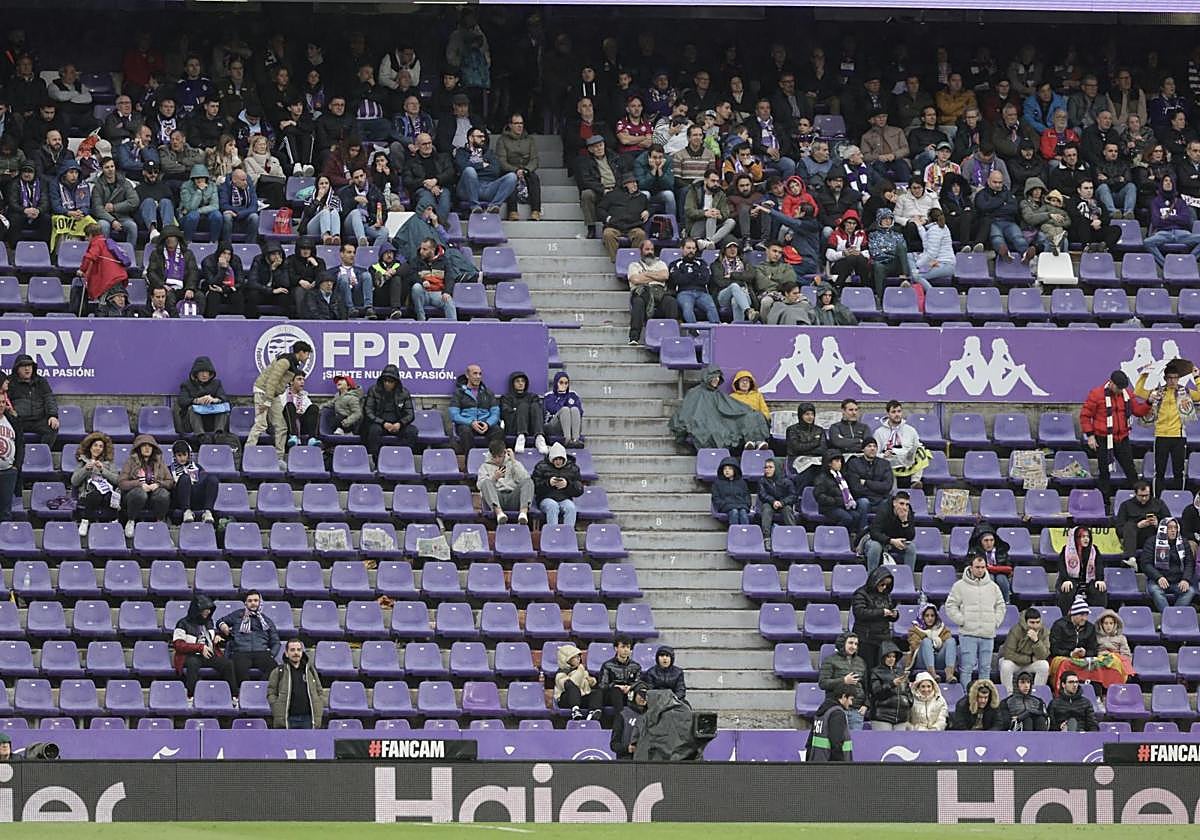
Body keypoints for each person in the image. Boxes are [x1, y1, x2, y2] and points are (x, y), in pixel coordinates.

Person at [1135, 358, 1200, 493]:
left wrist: (1197, 377)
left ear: (1179, 378)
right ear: (1165, 378)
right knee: (1159, 472)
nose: (1172, 381)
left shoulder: (1185, 392)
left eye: (1175, 378)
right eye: (1170, 378)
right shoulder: (1158, 392)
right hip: (1161, 436)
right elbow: (1138, 391)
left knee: (1178, 472)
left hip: (1178, 437)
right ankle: (1158, 498)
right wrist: (1145, 373)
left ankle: (1178, 498)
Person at [1080, 371, 1148, 499]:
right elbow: (1085, 416)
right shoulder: (1096, 394)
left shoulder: (1127, 394)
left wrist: (1148, 403)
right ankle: (1104, 502)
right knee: (1104, 472)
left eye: (1122, 388)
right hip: (1103, 438)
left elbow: (1138, 411)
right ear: (1111, 383)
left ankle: (1139, 500)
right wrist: (1090, 435)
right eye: (1118, 388)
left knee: (1131, 471)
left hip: (1122, 438)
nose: (1120, 391)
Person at [669, 366, 770, 451]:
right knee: (713, 432)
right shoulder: (694, 392)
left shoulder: (718, 394)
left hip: (721, 422)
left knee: (753, 416)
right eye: (714, 377)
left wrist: (749, 412)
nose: (717, 379)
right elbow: (687, 412)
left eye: (718, 377)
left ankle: (756, 441)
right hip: (705, 424)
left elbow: (732, 408)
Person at [247, 340, 312, 465]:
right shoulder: (285, 362)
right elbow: (272, 380)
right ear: (301, 352)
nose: (308, 357)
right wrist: (267, 401)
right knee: (261, 424)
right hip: (263, 392)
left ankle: (279, 459)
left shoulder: (293, 364)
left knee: (281, 426)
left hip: (273, 395)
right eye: (307, 354)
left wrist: (271, 398)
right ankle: (248, 454)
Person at [945, 554, 1007, 685]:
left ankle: (985, 695)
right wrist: (962, 620)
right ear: (971, 567)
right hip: (968, 634)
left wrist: (995, 622)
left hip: (988, 634)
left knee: (985, 669)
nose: (980, 570)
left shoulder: (993, 587)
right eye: (977, 567)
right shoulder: (959, 586)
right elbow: (950, 605)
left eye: (983, 567)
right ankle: (966, 695)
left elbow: (1001, 605)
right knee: (967, 668)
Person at [171, 594, 236, 700]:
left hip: (209, 654)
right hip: (190, 655)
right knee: (193, 663)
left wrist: (217, 638)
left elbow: (210, 638)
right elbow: (178, 645)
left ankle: (234, 696)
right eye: (206, 609)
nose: (208, 612)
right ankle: (190, 696)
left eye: (210, 609)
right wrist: (200, 648)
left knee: (228, 664)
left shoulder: (209, 622)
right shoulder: (182, 623)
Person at [217, 591, 281, 690]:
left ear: (260, 602)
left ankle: (259, 689)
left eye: (256, 600)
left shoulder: (266, 620)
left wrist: (272, 654)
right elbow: (220, 621)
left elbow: (276, 641)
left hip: (261, 652)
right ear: (246, 603)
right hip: (241, 652)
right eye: (250, 601)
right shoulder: (237, 615)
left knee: (275, 670)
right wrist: (223, 626)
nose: (253, 603)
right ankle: (245, 693)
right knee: (239, 670)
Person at [117, 433, 174, 539]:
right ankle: (131, 521)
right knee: (139, 493)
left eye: (150, 446)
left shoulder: (159, 462)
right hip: (134, 496)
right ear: (139, 448)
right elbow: (121, 482)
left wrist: (158, 484)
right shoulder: (130, 462)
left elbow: (170, 481)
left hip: (154, 496)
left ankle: (160, 522)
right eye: (144, 446)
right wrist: (139, 484)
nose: (147, 448)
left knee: (163, 494)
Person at [1140, 517, 1197, 612]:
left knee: (1190, 591)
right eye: (1170, 528)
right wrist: (1158, 577)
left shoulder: (1183, 542)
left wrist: (1185, 579)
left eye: (1175, 528)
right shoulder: (1152, 542)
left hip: (1178, 580)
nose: (1173, 530)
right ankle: (1170, 617)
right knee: (1155, 590)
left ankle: (1171, 616)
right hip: (1158, 580)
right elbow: (1146, 564)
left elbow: (1189, 563)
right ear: (1163, 529)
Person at [625, 239, 676, 346]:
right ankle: (634, 337)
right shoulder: (634, 265)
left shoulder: (661, 264)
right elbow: (636, 280)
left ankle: (671, 336)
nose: (650, 252)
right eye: (647, 249)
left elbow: (665, 276)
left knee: (671, 302)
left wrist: (646, 274)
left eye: (652, 249)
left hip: (659, 292)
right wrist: (655, 276)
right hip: (642, 291)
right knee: (638, 302)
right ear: (641, 251)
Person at [361, 364, 418, 458]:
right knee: (373, 430)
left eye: (390, 381)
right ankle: (376, 460)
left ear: (396, 382)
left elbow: (410, 414)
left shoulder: (404, 393)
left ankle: (402, 458)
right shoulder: (373, 390)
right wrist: (383, 423)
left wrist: (400, 424)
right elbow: (368, 411)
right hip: (379, 424)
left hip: (397, 425)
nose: (387, 383)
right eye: (385, 380)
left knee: (412, 431)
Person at [70, 432, 120, 537]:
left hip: (106, 493)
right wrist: (86, 469)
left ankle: (114, 522)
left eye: (101, 446)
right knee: (95, 495)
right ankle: (85, 521)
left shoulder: (109, 464)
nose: (97, 448)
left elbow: (117, 480)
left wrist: (102, 470)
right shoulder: (82, 462)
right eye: (95, 445)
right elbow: (74, 481)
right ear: (90, 447)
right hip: (88, 494)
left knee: (110, 496)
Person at [267, 639, 324, 730]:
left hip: (308, 719)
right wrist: (276, 707)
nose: (296, 653)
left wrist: (319, 704)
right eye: (292, 650)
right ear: (286, 653)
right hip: (287, 719)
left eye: (298, 650)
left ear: (302, 652)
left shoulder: (310, 671)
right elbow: (271, 692)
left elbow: (319, 691)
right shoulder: (278, 671)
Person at [1145, 175, 1200, 268]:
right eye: (1166, 181)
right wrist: (1177, 218)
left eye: (1170, 181)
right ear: (1161, 184)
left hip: (1182, 233)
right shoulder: (1155, 202)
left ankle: (1188, 261)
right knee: (1147, 242)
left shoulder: (1180, 202)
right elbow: (1156, 222)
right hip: (1163, 233)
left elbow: (1186, 220)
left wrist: (1167, 218)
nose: (1168, 183)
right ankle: (1166, 266)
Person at [816, 632, 868, 731]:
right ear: (842, 643)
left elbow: (866, 686)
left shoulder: (861, 662)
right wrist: (843, 680)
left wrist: (866, 704)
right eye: (850, 643)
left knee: (855, 740)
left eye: (856, 644)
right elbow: (823, 683)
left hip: (856, 711)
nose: (853, 646)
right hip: (836, 709)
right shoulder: (830, 660)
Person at [495, 112, 541, 221]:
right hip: (510, 169)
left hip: (526, 169)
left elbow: (534, 159)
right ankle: (512, 211)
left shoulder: (529, 140)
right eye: (516, 123)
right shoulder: (502, 140)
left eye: (521, 123)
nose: (519, 126)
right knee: (510, 178)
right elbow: (501, 160)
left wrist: (526, 170)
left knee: (534, 178)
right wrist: (515, 170)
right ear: (510, 125)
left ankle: (536, 211)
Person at [449, 364, 503, 455]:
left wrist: (488, 424)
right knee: (465, 431)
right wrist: (471, 422)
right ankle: (470, 460)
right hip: (467, 424)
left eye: (480, 374)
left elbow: (495, 413)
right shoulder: (459, 393)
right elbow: (454, 415)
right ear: (467, 375)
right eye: (475, 373)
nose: (478, 377)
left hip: (485, 424)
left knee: (498, 431)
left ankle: (494, 460)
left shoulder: (488, 393)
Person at [477, 438, 534, 525]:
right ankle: (499, 514)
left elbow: (524, 478)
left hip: (513, 496)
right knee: (486, 482)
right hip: (496, 497)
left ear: (505, 453)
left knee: (528, 481)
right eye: (494, 457)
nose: (497, 460)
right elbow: (480, 486)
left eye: (500, 456)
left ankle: (523, 514)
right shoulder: (484, 466)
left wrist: (513, 461)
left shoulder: (513, 463)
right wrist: (494, 478)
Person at [851, 566, 897, 670]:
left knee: (881, 669)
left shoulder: (886, 595)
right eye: (882, 584)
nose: (884, 587)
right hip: (866, 638)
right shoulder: (861, 593)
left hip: (883, 638)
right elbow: (860, 612)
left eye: (887, 585)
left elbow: (889, 609)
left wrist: (894, 615)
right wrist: (881, 612)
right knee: (867, 668)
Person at [874, 400, 928, 488]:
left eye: (899, 411)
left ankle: (915, 482)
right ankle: (893, 489)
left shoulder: (910, 430)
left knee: (921, 451)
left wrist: (911, 451)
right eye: (893, 412)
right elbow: (875, 453)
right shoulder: (879, 432)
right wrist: (883, 455)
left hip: (906, 460)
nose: (897, 414)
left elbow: (917, 445)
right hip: (889, 461)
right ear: (888, 414)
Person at [7, 354, 58, 447]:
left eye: (29, 366)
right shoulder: (9, 382)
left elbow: (49, 399)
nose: (27, 369)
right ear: (17, 369)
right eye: (23, 366)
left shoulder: (41, 381)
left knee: (52, 428)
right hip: (18, 420)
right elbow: (4, 401)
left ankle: (42, 453)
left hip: (38, 420)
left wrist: (53, 415)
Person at [1055, 525, 1108, 614]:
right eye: (1083, 537)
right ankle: (1066, 616)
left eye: (1088, 536)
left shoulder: (1094, 550)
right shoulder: (1066, 550)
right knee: (1067, 589)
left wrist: (1100, 580)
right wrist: (1065, 580)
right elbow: (1062, 567)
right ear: (1076, 538)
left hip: (1089, 580)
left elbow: (1099, 565)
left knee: (1099, 589)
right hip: (1070, 579)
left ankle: (1097, 615)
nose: (1086, 539)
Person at [1117, 480, 1172, 566]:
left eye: (1146, 495)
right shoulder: (1126, 505)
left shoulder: (1159, 504)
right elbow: (1119, 530)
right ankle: (1130, 558)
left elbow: (1170, 524)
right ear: (1135, 494)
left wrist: (1158, 524)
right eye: (1141, 496)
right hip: (1134, 539)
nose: (1144, 498)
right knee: (1129, 525)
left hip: (1153, 536)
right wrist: (1137, 526)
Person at [531, 438, 583, 527]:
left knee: (571, 508)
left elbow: (579, 489)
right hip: (546, 498)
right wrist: (548, 483)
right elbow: (534, 487)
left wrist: (567, 485)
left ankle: (568, 533)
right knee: (553, 506)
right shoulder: (541, 467)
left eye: (560, 459)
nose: (558, 462)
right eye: (556, 459)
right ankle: (553, 533)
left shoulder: (572, 468)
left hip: (564, 498)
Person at [598, 171, 649, 261]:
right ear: (625, 184)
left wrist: (648, 211)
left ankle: (633, 260)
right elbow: (600, 209)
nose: (635, 184)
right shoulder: (612, 195)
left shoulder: (642, 197)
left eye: (636, 182)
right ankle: (616, 260)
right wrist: (608, 218)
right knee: (608, 234)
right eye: (632, 182)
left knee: (640, 234)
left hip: (633, 226)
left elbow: (651, 207)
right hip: (614, 225)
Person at [668, 237, 719, 324]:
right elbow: (678, 280)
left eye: (693, 248)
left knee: (711, 307)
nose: (691, 251)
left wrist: (686, 275)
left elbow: (705, 279)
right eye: (688, 248)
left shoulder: (702, 263)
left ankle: (717, 329)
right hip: (684, 292)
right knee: (687, 308)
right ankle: (694, 330)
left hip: (702, 292)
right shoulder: (675, 264)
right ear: (682, 249)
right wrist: (696, 275)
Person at [144, 226, 199, 308]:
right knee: (167, 297)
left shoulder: (188, 254)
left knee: (199, 297)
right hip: (164, 288)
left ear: (178, 239)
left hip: (183, 287)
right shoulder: (156, 254)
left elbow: (193, 272)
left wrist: (190, 288)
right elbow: (151, 272)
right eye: (168, 239)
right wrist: (162, 285)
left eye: (173, 238)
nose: (171, 241)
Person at [998, 608, 1051, 691]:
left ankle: (1037, 693)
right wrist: (1030, 659)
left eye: (1037, 622)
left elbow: (1044, 655)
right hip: (1014, 662)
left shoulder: (1044, 631)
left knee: (1044, 665)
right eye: (1032, 622)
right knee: (1005, 665)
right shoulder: (1016, 630)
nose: (1035, 626)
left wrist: (1036, 641)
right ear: (1026, 622)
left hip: (1030, 664)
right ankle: (1008, 694)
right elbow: (1008, 654)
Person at [864, 490, 917, 571]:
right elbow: (874, 532)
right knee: (875, 547)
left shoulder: (908, 512)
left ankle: (908, 576)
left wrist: (904, 522)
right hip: (878, 540)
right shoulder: (884, 510)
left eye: (907, 504)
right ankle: (872, 576)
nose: (904, 507)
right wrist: (891, 541)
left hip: (895, 542)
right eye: (901, 503)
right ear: (894, 503)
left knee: (911, 547)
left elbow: (911, 537)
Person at [90, 157, 139, 244]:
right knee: (103, 226)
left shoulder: (125, 183)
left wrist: (114, 207)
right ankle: (104, 251)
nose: (110, 169)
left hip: (122, 216)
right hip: (105, 217)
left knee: (132, 226)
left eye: (112, 166)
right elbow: (97, 208)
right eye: (107, 167)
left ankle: (130, 252)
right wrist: (112, 221)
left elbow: (134, 201)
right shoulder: (97, 186)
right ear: (102, 169)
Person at [168, 440, 217, 525]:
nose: (182, 458)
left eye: (184, 455)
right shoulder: (169, 469)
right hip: (179, 500)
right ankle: (186, 511)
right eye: (179, 455)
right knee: (185, 478)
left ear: (188, 455)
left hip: (196, 498)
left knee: (212, 479)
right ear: (174, 456)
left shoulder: (197, 467)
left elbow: (203, 481)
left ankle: (208, 512)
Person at [867, 641, 912, 731]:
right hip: (882, 717)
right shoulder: (875, 672)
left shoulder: (900, 672)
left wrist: (909, 702)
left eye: (893, 656)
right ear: (883, 657)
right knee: (884, 740)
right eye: (888, 656)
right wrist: (892, 684)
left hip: (901, 718)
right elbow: (876, 692)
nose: (891, 659)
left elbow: (907, 691)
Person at [906, 603, 957, 682]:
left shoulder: (943, 629)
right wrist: (931, 640)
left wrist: (937, 642)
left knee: (951, 641)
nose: (930, 618)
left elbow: (947, 643)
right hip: (921, 660)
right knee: (926, 641)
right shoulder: (914, 629)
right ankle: (932, 673)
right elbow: (915, 645)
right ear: (922, 616)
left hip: (938, 659)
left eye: (932, 616)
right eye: (927, 616)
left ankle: (949, 674)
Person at [806, 686, 856, 762]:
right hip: (831, 764)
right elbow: (836, 742)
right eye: (851, 699)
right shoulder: (837, 713)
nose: (851, 703)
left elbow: (810, 740)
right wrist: (839, 764)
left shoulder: (822, 711)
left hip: (817, 760)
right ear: (844, 696)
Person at [598, 635, 643, 720]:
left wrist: (630, 687)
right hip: (612, 696)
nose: (626, 650)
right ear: (616, 648)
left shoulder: (636, 666)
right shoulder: (607, 665)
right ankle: (619, 719)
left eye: (628, 647)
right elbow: (602, 685)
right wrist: (616, 686)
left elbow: (639, 683)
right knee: (616, 691)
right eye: (623, 647)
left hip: (629, 694)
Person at [554, 643, 602, 721]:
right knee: (570, 685)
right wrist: (580, 670)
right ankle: (575, 710)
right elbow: (572, 683)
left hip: (581, 698)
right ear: (567, 660)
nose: (579, 659)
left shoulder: (582, 670)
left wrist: (592, 681)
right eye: (575, 657)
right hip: (567, 700)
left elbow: (589, 683)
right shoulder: (561, 674)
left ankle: (592, 712)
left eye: (579, 657)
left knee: (597, 693)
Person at [756, 458, 796, 551]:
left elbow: (793, 496)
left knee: (787, 509)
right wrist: (773, 501)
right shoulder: (762, 481)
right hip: (770, 504)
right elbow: (762, 495)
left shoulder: (787, 481)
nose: (767, 470)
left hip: (783, 504)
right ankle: (767, 538)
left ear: (777, 468)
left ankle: (793, 534)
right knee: (766, 508)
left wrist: (782, 503)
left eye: (770, 467)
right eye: (766, 467)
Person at [198, 241, 245, 319]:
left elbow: (240, 281)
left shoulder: (236, 260)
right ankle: (211, 322)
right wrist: (222, 269)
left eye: (229, 254)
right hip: (214, 289)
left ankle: (237, 322)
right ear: (218, 253)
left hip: (230, 289)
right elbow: (212, 283)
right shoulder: (208, 261)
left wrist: (225, 290)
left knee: (238, 296)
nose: (226, 256)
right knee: (213, 296)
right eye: (224, 253)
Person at [969, 523, 1013, 604]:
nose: (989, 543)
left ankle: (1006, 602)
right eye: (986, 540)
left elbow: (1009, 567)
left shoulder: (1002, 551)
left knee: (1001, 578)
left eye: (991, 540)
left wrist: (991, 568)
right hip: (982, 577)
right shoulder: (974, 553)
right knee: (990, 577)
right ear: (980, 542)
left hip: (1002, 576)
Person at [785, 402, 825, 487]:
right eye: (807, 414)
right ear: (800, 415)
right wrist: (815, 443)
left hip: (817, 461)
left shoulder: (819, 430)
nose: (810, 417)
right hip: (797, 460)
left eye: (812, 414)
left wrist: (805, 448)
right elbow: (796, 448)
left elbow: (823, 449)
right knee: (810, 470)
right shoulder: (792, 430)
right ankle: (801, 492)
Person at [543, 372, 584, 448]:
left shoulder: (573, 394)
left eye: (566, 383)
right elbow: (553, 409)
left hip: (570, 425)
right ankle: (567, 440)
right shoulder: (549, 396)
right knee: (565, 410)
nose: (564, 385)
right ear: (556, 383)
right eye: (561, 382)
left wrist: (566, 398)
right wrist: (563, 397)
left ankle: (575, 440)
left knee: (574, 409)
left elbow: (580, 412)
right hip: (554, 425)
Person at [0, 370, 20, 525]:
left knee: (5, 512)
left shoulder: (11, 420)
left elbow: (20, 444)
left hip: (8, 472)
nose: (1, 405)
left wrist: (16, 466)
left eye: (2, 402)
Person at [611, 682, 649, 759]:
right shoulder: (623, 715)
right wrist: (627, 748)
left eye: (646, 695)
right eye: (641, 695)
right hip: (626, 760)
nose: (643, 698)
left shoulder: (652, 715)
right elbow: (614, 745)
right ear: (632, 695)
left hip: (647, 759)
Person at [281, 373, 319, 448]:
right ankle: (293, 436)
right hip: (286, 425)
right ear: (291, 382)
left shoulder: (304, 396)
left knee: (314, 407)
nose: (302, 382)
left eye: (303, 380)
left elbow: (309, 411)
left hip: (301, 425)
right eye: (299, 379)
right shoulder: (283, 395)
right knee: (289, 405)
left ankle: (312, 439)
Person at [711, 456, 752, 526]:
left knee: (743, 513)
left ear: (735, 470)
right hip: (726, 506)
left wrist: (747, 505)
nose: (727, 471)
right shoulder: (717, 483)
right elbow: (716, 498)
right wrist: (723, 504)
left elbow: (747, 496)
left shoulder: (742, 482)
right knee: (734, 512)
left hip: (741, 505)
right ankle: (734, 532)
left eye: (730, 468)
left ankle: (745, 532)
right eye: (725, 469)